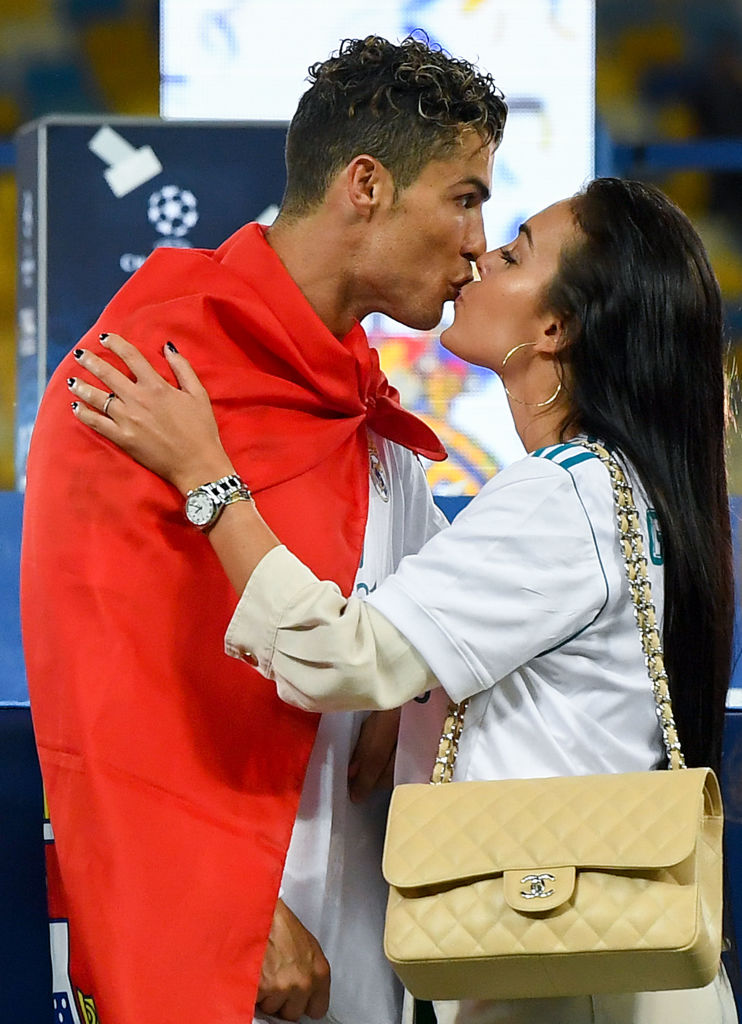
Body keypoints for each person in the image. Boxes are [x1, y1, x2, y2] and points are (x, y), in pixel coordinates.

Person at [68, 177, 738, 1024]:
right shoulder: (614, 485)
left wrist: (207, 478)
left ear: (555, 328)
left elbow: (339, 658)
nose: (477, 255)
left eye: (514, 252)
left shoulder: (561, 493)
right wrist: (413, 686)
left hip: (571, 977)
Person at [20, 34, 507, 1024]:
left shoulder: (366, 413)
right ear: (364, 185)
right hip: (222, 940)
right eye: (463, 197)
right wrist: (225, 907)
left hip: (367, 929)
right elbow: (98, 697)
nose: (476, 242)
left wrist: (397, 685)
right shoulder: (141, 370)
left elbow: (396, 648)